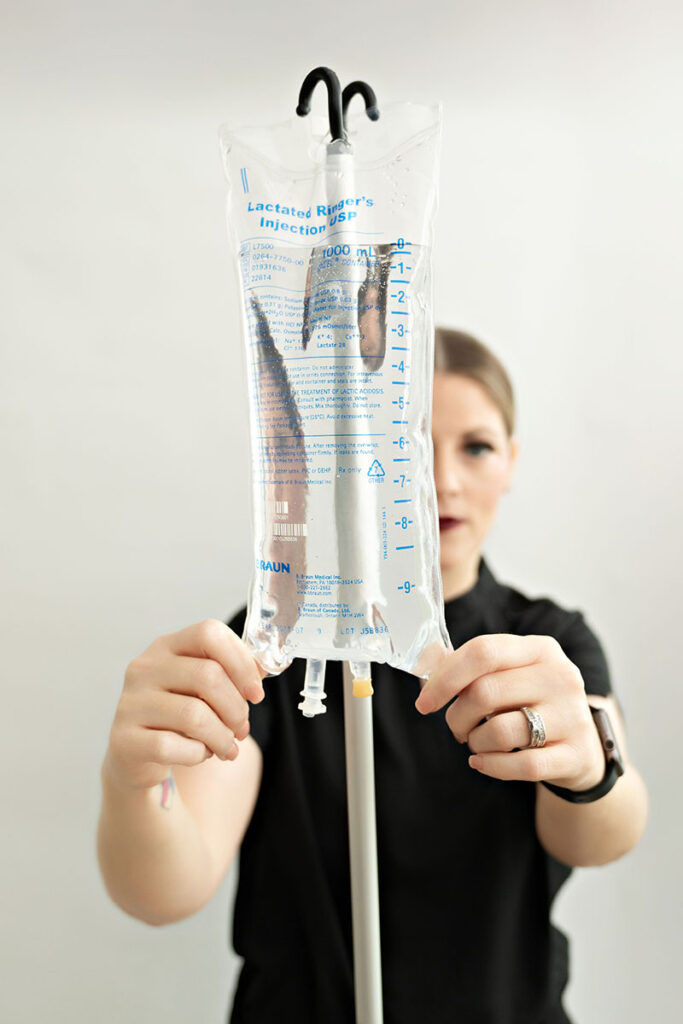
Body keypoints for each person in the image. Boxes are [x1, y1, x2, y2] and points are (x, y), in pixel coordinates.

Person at [97, 327, 648, 1024]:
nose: (441, 480)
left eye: (476, 446)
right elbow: (166, 888)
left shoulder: (549, 643)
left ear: (511, 461)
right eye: (408, 444)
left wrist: (588, 767)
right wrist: (133, 780)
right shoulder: (278, 639)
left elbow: (602, 834)